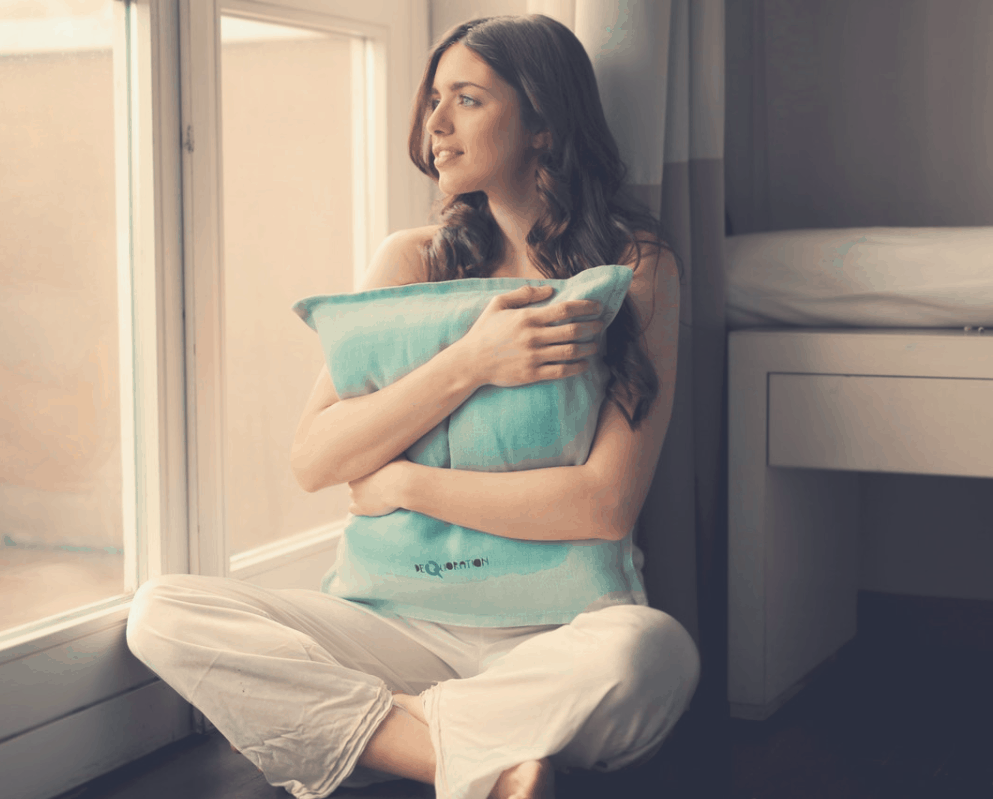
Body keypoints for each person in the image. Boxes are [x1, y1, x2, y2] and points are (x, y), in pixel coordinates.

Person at [126, 14, 698, 799]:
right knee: (162, 611)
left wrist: (405, 486)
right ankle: (473, 759)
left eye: (466, 99)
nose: (434, 124)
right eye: (434, 98)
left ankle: (382, 731)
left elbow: (603, 504)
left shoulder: (637, 267)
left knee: (654, 654)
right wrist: (471, 362)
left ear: (542, 123)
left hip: (556, 635)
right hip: (391, 626)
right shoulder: (412, 260)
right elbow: (314, 457)